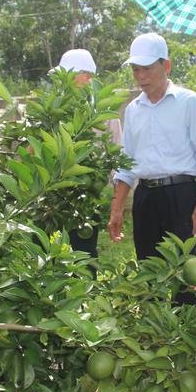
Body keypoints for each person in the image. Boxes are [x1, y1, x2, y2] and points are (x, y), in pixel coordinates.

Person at [108, 33, 196, 304]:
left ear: (166, 66)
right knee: (149, 271)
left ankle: (186, 335)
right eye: (136, 69)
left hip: (181, 195)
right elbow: (127, 164)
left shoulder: (190, 103)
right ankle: (153, 336)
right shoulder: (133, 110)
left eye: (147, 68)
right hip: (146, 198)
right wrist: (117, 208)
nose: (141, 76)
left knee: (186, 272)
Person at [57, 48, 123, 257]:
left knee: (83, 256)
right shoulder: (55, 109)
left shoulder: (105, 114)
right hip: (52, 198)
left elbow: (117, 159)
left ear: (87, 77)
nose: (62, 82)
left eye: (68, 76)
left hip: (86, 198)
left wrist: (116, 204)